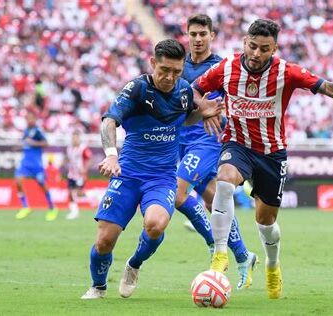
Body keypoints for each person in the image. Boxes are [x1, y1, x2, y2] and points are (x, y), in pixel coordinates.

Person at [192, 19, 333, 299]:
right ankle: (219, 255)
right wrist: (204, 106)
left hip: (272, 153)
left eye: (264, 49)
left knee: (266, 222)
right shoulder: (225, 68)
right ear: (244, 42)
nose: (256, 54)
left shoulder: (286, 72)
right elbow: (193, 90)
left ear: (274, 48)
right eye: (252, 46)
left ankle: (272, 264)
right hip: (237, 144)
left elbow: (328, 87)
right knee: (225, 182)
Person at [81, 39, 222, 299]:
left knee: (155, 225)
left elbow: (187, 115)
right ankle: (98, 286)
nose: (170, 77)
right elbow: (109, 121)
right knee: (104, 241)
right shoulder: (136, 89)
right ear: (153, 63)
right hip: (128, 174)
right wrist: (111, 156)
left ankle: (134, 264)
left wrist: (202, 113)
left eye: (177, 72)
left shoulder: (184, 91)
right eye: (164, 70)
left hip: (162, 178)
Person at [175, 14, 257, 290]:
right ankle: (245, 256)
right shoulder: (179, 66)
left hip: (208, 140)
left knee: (177, 193)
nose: (198, 39)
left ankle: (214, 244)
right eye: (193, 34)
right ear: (187, 35)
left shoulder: (221, 67)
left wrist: (215, 113)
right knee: (212, 201)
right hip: (180, 140)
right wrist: (201, 108)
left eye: (203, 34)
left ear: (212, 36)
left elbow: (233, 101)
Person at [15, 110, 58, 221]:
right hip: (25, 163)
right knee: (18, 181)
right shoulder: (25, 131)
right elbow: (25, 144)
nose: (29, 120)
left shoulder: (38, 131)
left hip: (36, 164)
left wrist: (33, 143)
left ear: (35, 119)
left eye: (31, 118)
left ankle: (52, 208)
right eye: (28, 118)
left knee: (41, 184)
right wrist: (20, 146)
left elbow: (46, 143)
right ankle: (25, 207)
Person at [65, 129, 92, 219]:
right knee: (70, 192)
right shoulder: (69, 148)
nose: (74, 140)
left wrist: (85, 169)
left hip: (80, 175)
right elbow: (68, 159)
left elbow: (89, 159)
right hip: (71, 174)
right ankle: (74, 211)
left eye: (76, 138)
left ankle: (93, 195)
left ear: (79, 138)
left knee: (77, 192)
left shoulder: (83, 148)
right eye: (73, 138)